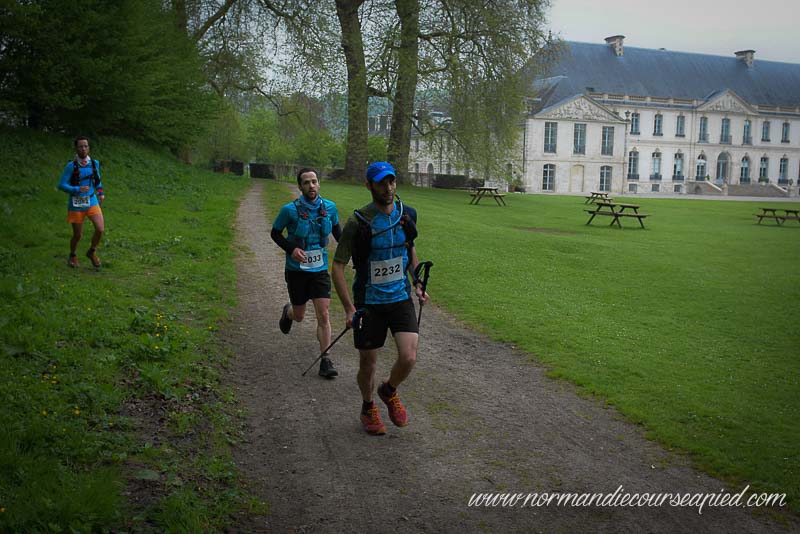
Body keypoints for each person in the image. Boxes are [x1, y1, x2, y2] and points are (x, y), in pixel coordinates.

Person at [332, 161, 429, 435]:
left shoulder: (406, 215)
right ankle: (368, 407)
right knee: (368, 363)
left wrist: (417, 282)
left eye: (391, 181)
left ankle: (388, 390)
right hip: (369, 302)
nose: (388, 188)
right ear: (369, 185)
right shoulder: (358, 222)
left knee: (409, 357)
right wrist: (349, 309)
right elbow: (337, 266)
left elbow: (409, 250)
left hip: (400, 297)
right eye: (381, 183)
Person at [271, 168, 342, 378]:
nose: (311, 186)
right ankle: (288, 312)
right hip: (297, 271)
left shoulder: (330, 208)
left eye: (314, 181)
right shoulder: (289, 210)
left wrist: (352, 254)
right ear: (300, 186)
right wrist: (291, 249)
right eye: (306, 182)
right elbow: (275, 233)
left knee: (323, 314)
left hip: (319, 271)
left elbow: (338, 233)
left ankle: (325, 360)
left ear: (319, 184)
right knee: (300, 316)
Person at [58, 136, 105, 269]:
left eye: (86, 146)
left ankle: (91, 252)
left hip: (91, 200)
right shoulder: (71, 166)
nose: (83, 149)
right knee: (77, 235)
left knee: (100, 229)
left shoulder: (94, 163)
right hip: (76, 203)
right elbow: (61, 185)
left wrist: (100, 192)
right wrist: (76, 189)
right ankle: (72, 255)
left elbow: (97, 180)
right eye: (81, 146)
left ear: (88, 148)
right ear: (76, 148)